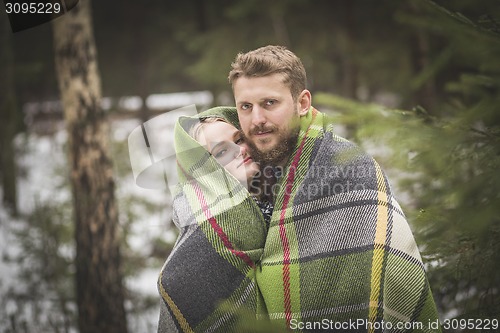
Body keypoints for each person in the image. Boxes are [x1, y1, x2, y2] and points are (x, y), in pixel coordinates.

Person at [227, 45, 441, 332]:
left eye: (269, 103)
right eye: (246, 107)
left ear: (302, 103)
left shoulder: (351, 169)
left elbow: (390, 282)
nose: (257, 120)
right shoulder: (234, 170)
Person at [157, 108, 274, 333]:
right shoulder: (195, 256)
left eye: (239, 139)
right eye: (222, 152)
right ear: (206, 173)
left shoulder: (282, 207)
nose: (240, 150)